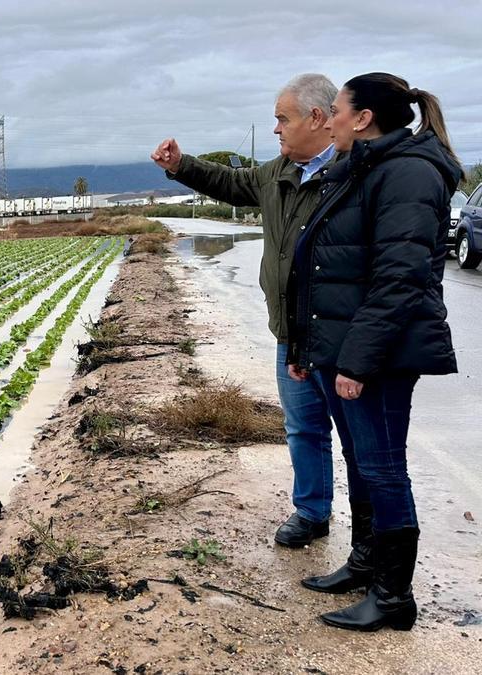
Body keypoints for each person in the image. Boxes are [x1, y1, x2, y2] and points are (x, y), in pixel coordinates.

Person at [287, 72, 460, 631]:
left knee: (384, 469)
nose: (330, 118)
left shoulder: (407, 173)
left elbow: (400, 278)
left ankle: (393, 598)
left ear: (363, 119)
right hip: (343, 345)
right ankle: (365, 565)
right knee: (363, 461)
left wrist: (358, 361)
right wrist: (307, 347)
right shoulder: (360, 168)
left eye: (336, 109)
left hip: (380, 354)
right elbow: (322, 269)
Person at [151, 74, 343, 547]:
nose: (276, 129)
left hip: (340, 332)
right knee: (302, 428)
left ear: (316, 118)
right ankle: (312, 512)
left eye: (283, 118)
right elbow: (229, 182)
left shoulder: (350, 173)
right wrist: (181, 165)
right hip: (291, 333)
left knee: (363, 444)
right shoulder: (276, 173)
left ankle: (372, 541)